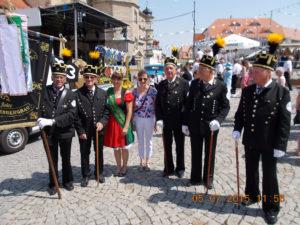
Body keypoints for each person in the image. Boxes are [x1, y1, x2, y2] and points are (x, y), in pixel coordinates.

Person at [232, 33, 291, 224]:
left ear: (268, 72)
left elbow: (284, 121)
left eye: (257, 70)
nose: (253, 73)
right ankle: (252, 194)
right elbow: (241, 113)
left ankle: (271, 206)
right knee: (251, 170)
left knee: (269, 175)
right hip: (250, 139)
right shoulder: (248, 91)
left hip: (270, 141)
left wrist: (281, 145)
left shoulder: (281, 92)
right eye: (253, 69)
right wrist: (237, 128)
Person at [183, 37, 230, 188]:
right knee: (196, 152)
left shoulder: (220, 86)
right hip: (195, 125)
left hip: (211, 126)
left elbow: (225, 106)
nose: (199, 71)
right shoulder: (195, 84)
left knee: (209, 154)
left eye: (202, 69)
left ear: (210, 71)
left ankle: (208, 178)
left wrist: (219, 120)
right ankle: (195, 177)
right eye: (199, 69)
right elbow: (188, 105)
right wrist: (185, 122)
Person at [37, 48, 77, 195]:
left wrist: (52, 121)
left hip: (65, 131)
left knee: (66, 158)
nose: (58, 80)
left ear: (65, 78)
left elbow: (71, 115)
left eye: (61, 77)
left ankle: (68, 181)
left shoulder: (71, 94)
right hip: (49, 133)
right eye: (56, 77)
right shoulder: (44, 91)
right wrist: (40, 118)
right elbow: (39, 108)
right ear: (52, 78)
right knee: (52, 159)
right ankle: (53, 183)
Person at [75, 51, 110, 187]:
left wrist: (102, 122)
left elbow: (107, 111)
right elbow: (76, 115)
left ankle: (99, 172)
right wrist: (80, 130)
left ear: (96, 79)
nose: (89, 79)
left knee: (99, 151)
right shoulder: (77, 94)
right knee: (84, 152)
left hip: (98, 128)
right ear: (84, 78)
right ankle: (85, 174)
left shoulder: (103, 93)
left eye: (92, 77)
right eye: (87, 77)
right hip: (84, 129)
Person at [155, 56, 189, 178]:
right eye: (167, 68)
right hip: (166, 122)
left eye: (171, 68)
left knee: (180, 146)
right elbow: (158, 104)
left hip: (179, 121)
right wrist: (159, 118)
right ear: (164, 71)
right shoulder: (162, 85)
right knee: (167, 146)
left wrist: (186, 122)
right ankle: (168, 167)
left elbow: (187, 104)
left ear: (176, 70)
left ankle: (180, 168)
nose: (169, 71)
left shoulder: (184, 84)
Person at [104, 72, 134, 177]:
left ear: (122, 80)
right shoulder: (109, 91)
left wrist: (126, 126)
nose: (116, 81)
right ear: (111, 80)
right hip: (112, 124)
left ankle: (124, 167)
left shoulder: (126, 93)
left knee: (124, 147)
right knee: (116, 148)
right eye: (114, 79)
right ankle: (118, 166)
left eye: (118, 79)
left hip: (123, 123)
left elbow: (130, 111)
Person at [132, 69, 157, 171]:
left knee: (149, 140)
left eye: (145, 79)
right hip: (138, 118)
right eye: (140, 79)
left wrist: (155, 121)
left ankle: (147, 161)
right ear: (138, 79)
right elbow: (132, 107)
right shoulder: (134, 92)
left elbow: (155, 107)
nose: (143, 81)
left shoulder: (153, 91)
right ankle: (141, 160)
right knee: (140, 140)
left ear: (148, 79)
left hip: (150, 118)